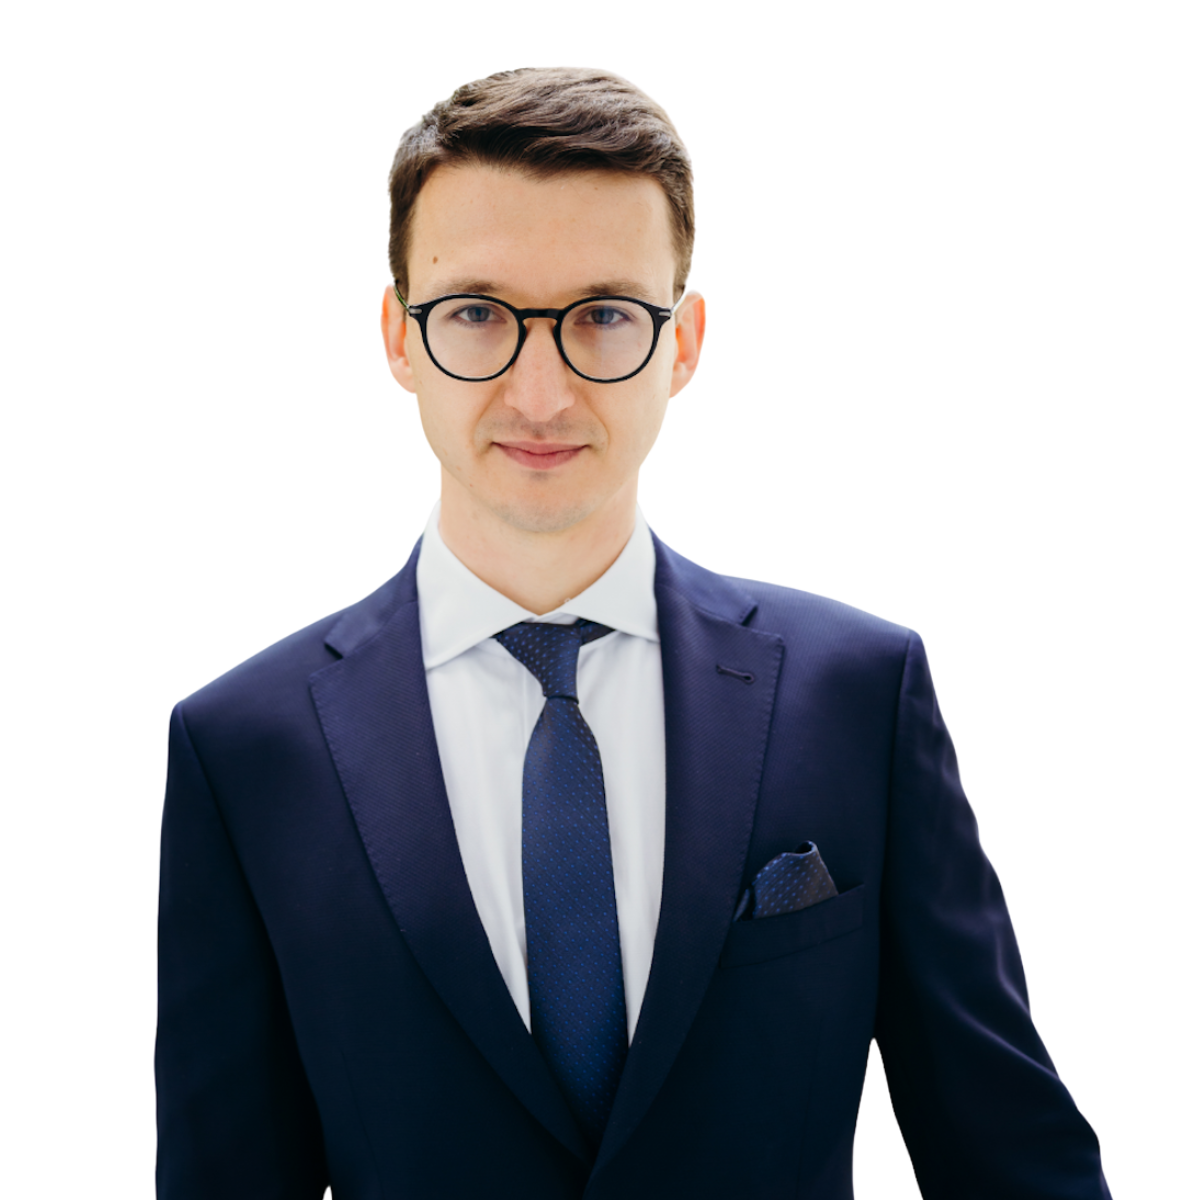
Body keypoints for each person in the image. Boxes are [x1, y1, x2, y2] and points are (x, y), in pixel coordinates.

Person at [155, 65, 1112, 1199]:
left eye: (605, 316)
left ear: (686, 342)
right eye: (476, 314)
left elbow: (1006, 1150)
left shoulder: (858, 689)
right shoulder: (243, 745)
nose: (542, 393)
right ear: (396, 336)